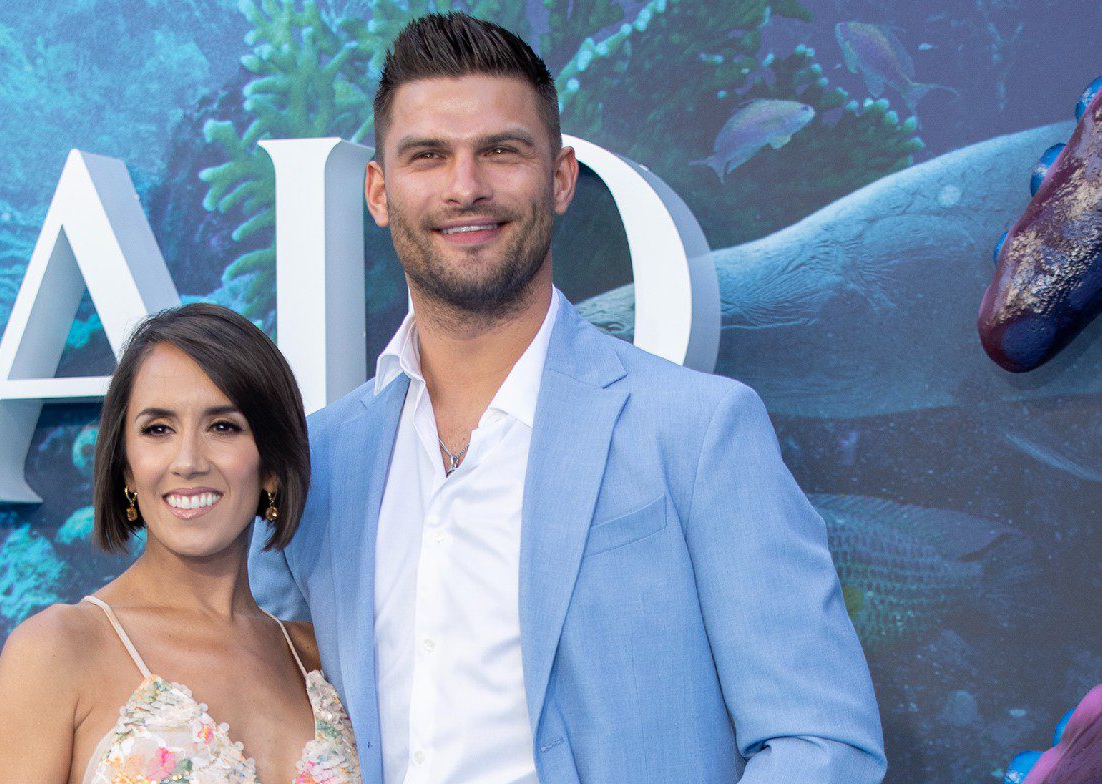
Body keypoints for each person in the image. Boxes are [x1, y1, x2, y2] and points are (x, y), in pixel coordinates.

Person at [250, 12, 885, 784]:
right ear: (379, 193)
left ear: (560, 178)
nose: (466, 187)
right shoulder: (316, 465)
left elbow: (820, 742)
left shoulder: (698, 432)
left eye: (501, 151)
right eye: (428, 156)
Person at [0, 303, 360, 784]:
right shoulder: (57, 651)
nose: (188, 461)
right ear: (126, 469)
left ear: (271, 467)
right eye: (158, 429)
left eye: (224, 426)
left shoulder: (317, 657)